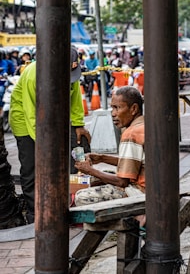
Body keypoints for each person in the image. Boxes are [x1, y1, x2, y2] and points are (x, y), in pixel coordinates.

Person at [9, 47, 91, 224]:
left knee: (77, 147)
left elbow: (75, 100)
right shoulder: (33, 74)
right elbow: (31, 114)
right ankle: (34, 213)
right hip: (25, 119)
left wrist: (78, 125)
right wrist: (44, 145)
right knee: (31, 166)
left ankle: (74, 203)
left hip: (54, 115)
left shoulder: (70, 73)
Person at [74, 86, 145, 225]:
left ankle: (130, 220)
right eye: (112, 108)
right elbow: (133, 162)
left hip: (141, 193)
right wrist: (102, 158)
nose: (113, 113)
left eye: (117, 108)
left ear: (133, 109)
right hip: (149, 185)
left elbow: (122, 182)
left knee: (81, 196)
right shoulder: (143, 125)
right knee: (98, 176)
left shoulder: (131, 134)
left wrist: (90, 170)